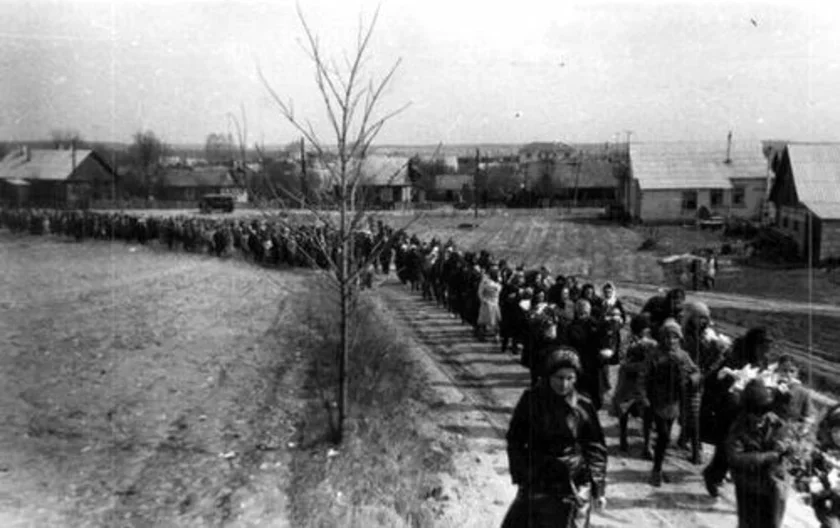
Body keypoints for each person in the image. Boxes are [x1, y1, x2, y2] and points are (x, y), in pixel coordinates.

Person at [502, 347, 608, 528]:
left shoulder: (584, 406)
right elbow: (515, 440)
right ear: (549, 376)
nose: (564, 384)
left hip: (573, 482)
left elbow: (595, 448)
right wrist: (521, 475)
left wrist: (598, 490)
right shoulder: (531, 400)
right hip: (538, 477)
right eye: (559, 377)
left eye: (570, 378)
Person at [702, 327, 772, 498]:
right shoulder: (735, 359)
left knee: (740, 447)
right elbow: (713, 380)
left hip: (748, 411)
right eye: (762, 345)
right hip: (729, 409)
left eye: (767, 346)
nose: (765, 350)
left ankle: (721, 474)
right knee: (726, 446)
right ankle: (713, 475)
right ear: (753, 344)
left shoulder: (763, 361)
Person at [726, 377, 793, 528]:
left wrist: (787, 449)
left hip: (774, 486)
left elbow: (787, 445)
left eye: (764, 411)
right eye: (756, 413)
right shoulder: (739, 427)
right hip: (749, 487)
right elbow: (735, 457)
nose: (761, 417)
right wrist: (769, 456)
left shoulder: (775, 422)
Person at [645, 318, 700, 486]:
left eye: (674, 337)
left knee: (666, 436)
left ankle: (658, 465)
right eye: (667, 337)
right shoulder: (654, 354)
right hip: (656, 401)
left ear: (679, 338)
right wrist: (644, 398)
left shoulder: (683, 356)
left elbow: (696, 372)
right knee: (662, 435)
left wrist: (691, 380)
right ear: (662, 338)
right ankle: (656, 471)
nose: (671, 340)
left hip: (674, 402)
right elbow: (643, 376)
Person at [612, 314, 657, 457]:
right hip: (628, 380)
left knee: (647, 412)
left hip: (643, 382)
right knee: (624, 410)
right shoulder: (628, 341)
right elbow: (623, 360)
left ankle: (647, 445)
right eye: (645, 328)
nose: (647, 330)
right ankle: (623, 439)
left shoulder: (650, 343)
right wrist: (641, 366)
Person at [807, 404, 840, 528]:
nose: (838, 435)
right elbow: (811, 480)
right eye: (836, 431)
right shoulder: (822, 452)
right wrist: (827, 486)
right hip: (826, 503)